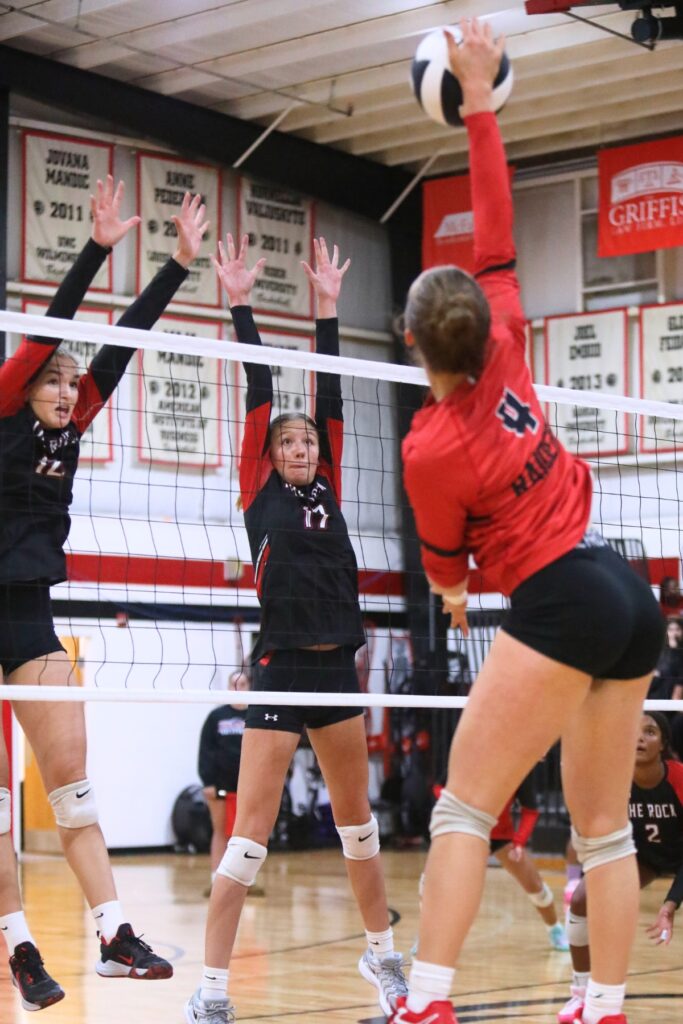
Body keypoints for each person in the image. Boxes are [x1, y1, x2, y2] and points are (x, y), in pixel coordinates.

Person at [391, 19, 664, 1024]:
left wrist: (455, 587)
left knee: (463, 806)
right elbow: (494, 222)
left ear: (416, 342)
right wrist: (478, 104)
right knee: (601, 829)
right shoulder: (506, 335)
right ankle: (600, 1004)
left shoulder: (428, 445)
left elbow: (443, 565)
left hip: (554, 598)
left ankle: (425, 1002)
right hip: (627, 590)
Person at [184, 234, 407, 1024]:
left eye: (307, 439)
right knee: (248, 839)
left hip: (334, 673)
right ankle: (212, 988)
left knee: (358, 831)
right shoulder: (261, 492)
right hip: (279, 669)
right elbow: (259, 384)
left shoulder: (334, 483)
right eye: (287, 441)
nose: (300, 446)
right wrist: (240, 302)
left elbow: (334, 392)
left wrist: (326, 310)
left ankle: (383, 959)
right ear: (269, 455)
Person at [0, 176, 208, 1010]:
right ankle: (18, 944)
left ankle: (115, 933)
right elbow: (52, 329)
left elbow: (124, 343)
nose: (61, 388)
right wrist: (96, 249)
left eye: (68, 382)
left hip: (30, 616)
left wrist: (177, 266)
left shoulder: (74, 423)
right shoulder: (6, 408)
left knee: (72, 787)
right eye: (50, 378)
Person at [559, 711, 683, 1022]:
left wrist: (669, 906)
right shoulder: (613, 778)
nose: (640, 737)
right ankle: (580, 995)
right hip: (642, 857)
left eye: (650, 731)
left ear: (663, 743)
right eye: (633, 730)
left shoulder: (680, 779)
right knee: (581, 900)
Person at [489, 772, 569, 952]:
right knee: (436, 883)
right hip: (468, 831)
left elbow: (530, 810)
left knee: (536, 887)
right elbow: (440, 787)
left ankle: (554, 928)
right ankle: (429, 937)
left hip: (501, 836)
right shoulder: (471, 755)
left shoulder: (519, 766)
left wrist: (519, 842)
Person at [198, 669, 255, 889]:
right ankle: (216, 879)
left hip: (249, 786)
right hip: (221, 785)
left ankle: (247, 880)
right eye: (233, 684)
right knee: (220, 830)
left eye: (242, 685)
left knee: (247, 833)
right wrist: (208, 782)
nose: (237, 689)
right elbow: (205, 750)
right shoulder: (217, 716)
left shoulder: (256, 715)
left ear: (250, 687)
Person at [648, 617, 683, 701]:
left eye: (677, 629)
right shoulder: (660, 652)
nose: (674, 633)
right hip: (656, 697)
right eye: (670, 630)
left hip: (673, 700)